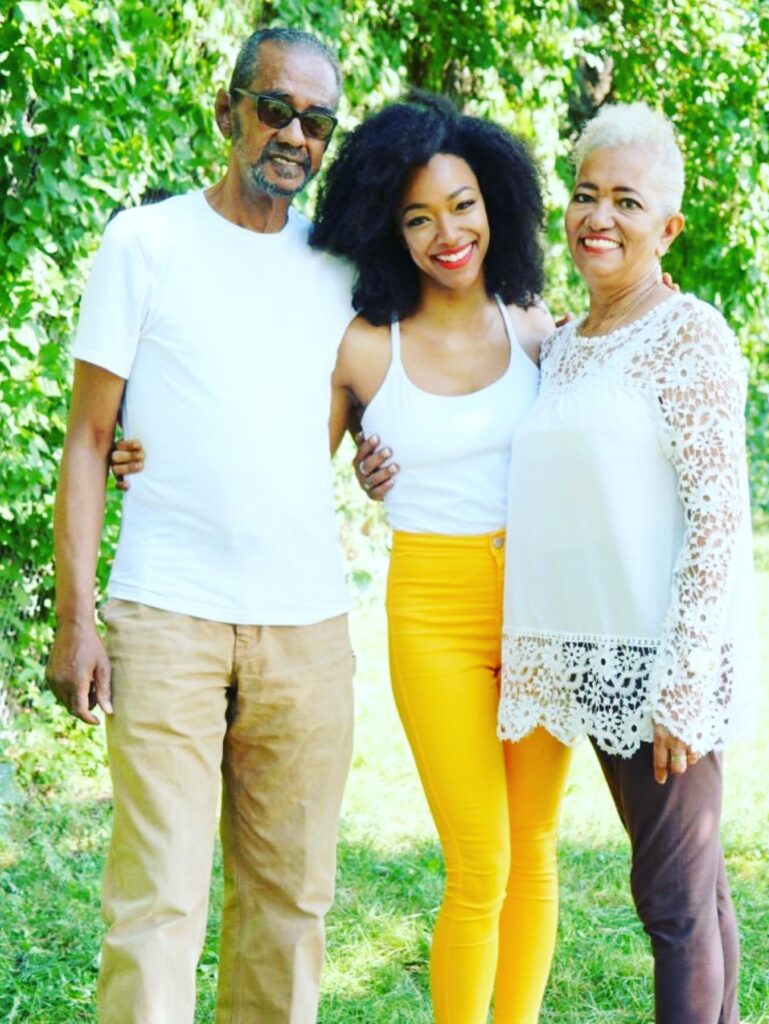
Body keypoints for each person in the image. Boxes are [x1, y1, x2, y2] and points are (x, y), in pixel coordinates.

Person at [115, 93, 573, 1024]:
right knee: (481, 856)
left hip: (541, 603)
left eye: (463, 204)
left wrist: (661, 309)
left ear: (497, 206)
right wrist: (143, 440)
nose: (447, 232)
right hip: (432, 608)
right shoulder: (366, 345)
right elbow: (279, 452)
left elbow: (605, 437)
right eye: (417, 217)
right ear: (387, 230)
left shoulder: (535, 325)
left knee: (536, 848)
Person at [46, 28, 357, 1024]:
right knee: (155, 905)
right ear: (228, 111)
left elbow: (385, 395)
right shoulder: (146, 243)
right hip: (166, 613)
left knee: (290, 905)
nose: (294, 135)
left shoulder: (346, 268)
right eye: (276, 108)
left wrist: (381, 444)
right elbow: (91, 441)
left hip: (307, 629)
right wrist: (76, 620)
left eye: (318, 121)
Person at [499, 102, 758, 1024]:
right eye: (583, 194)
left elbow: (720, 517)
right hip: (592, 653)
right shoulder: (565, 344)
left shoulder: (691, 337)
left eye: (626, 201)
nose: (597, 217)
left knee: (675, 905)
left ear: (668, 227)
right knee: (694, 889)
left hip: (663, 665)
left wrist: (684, 683)